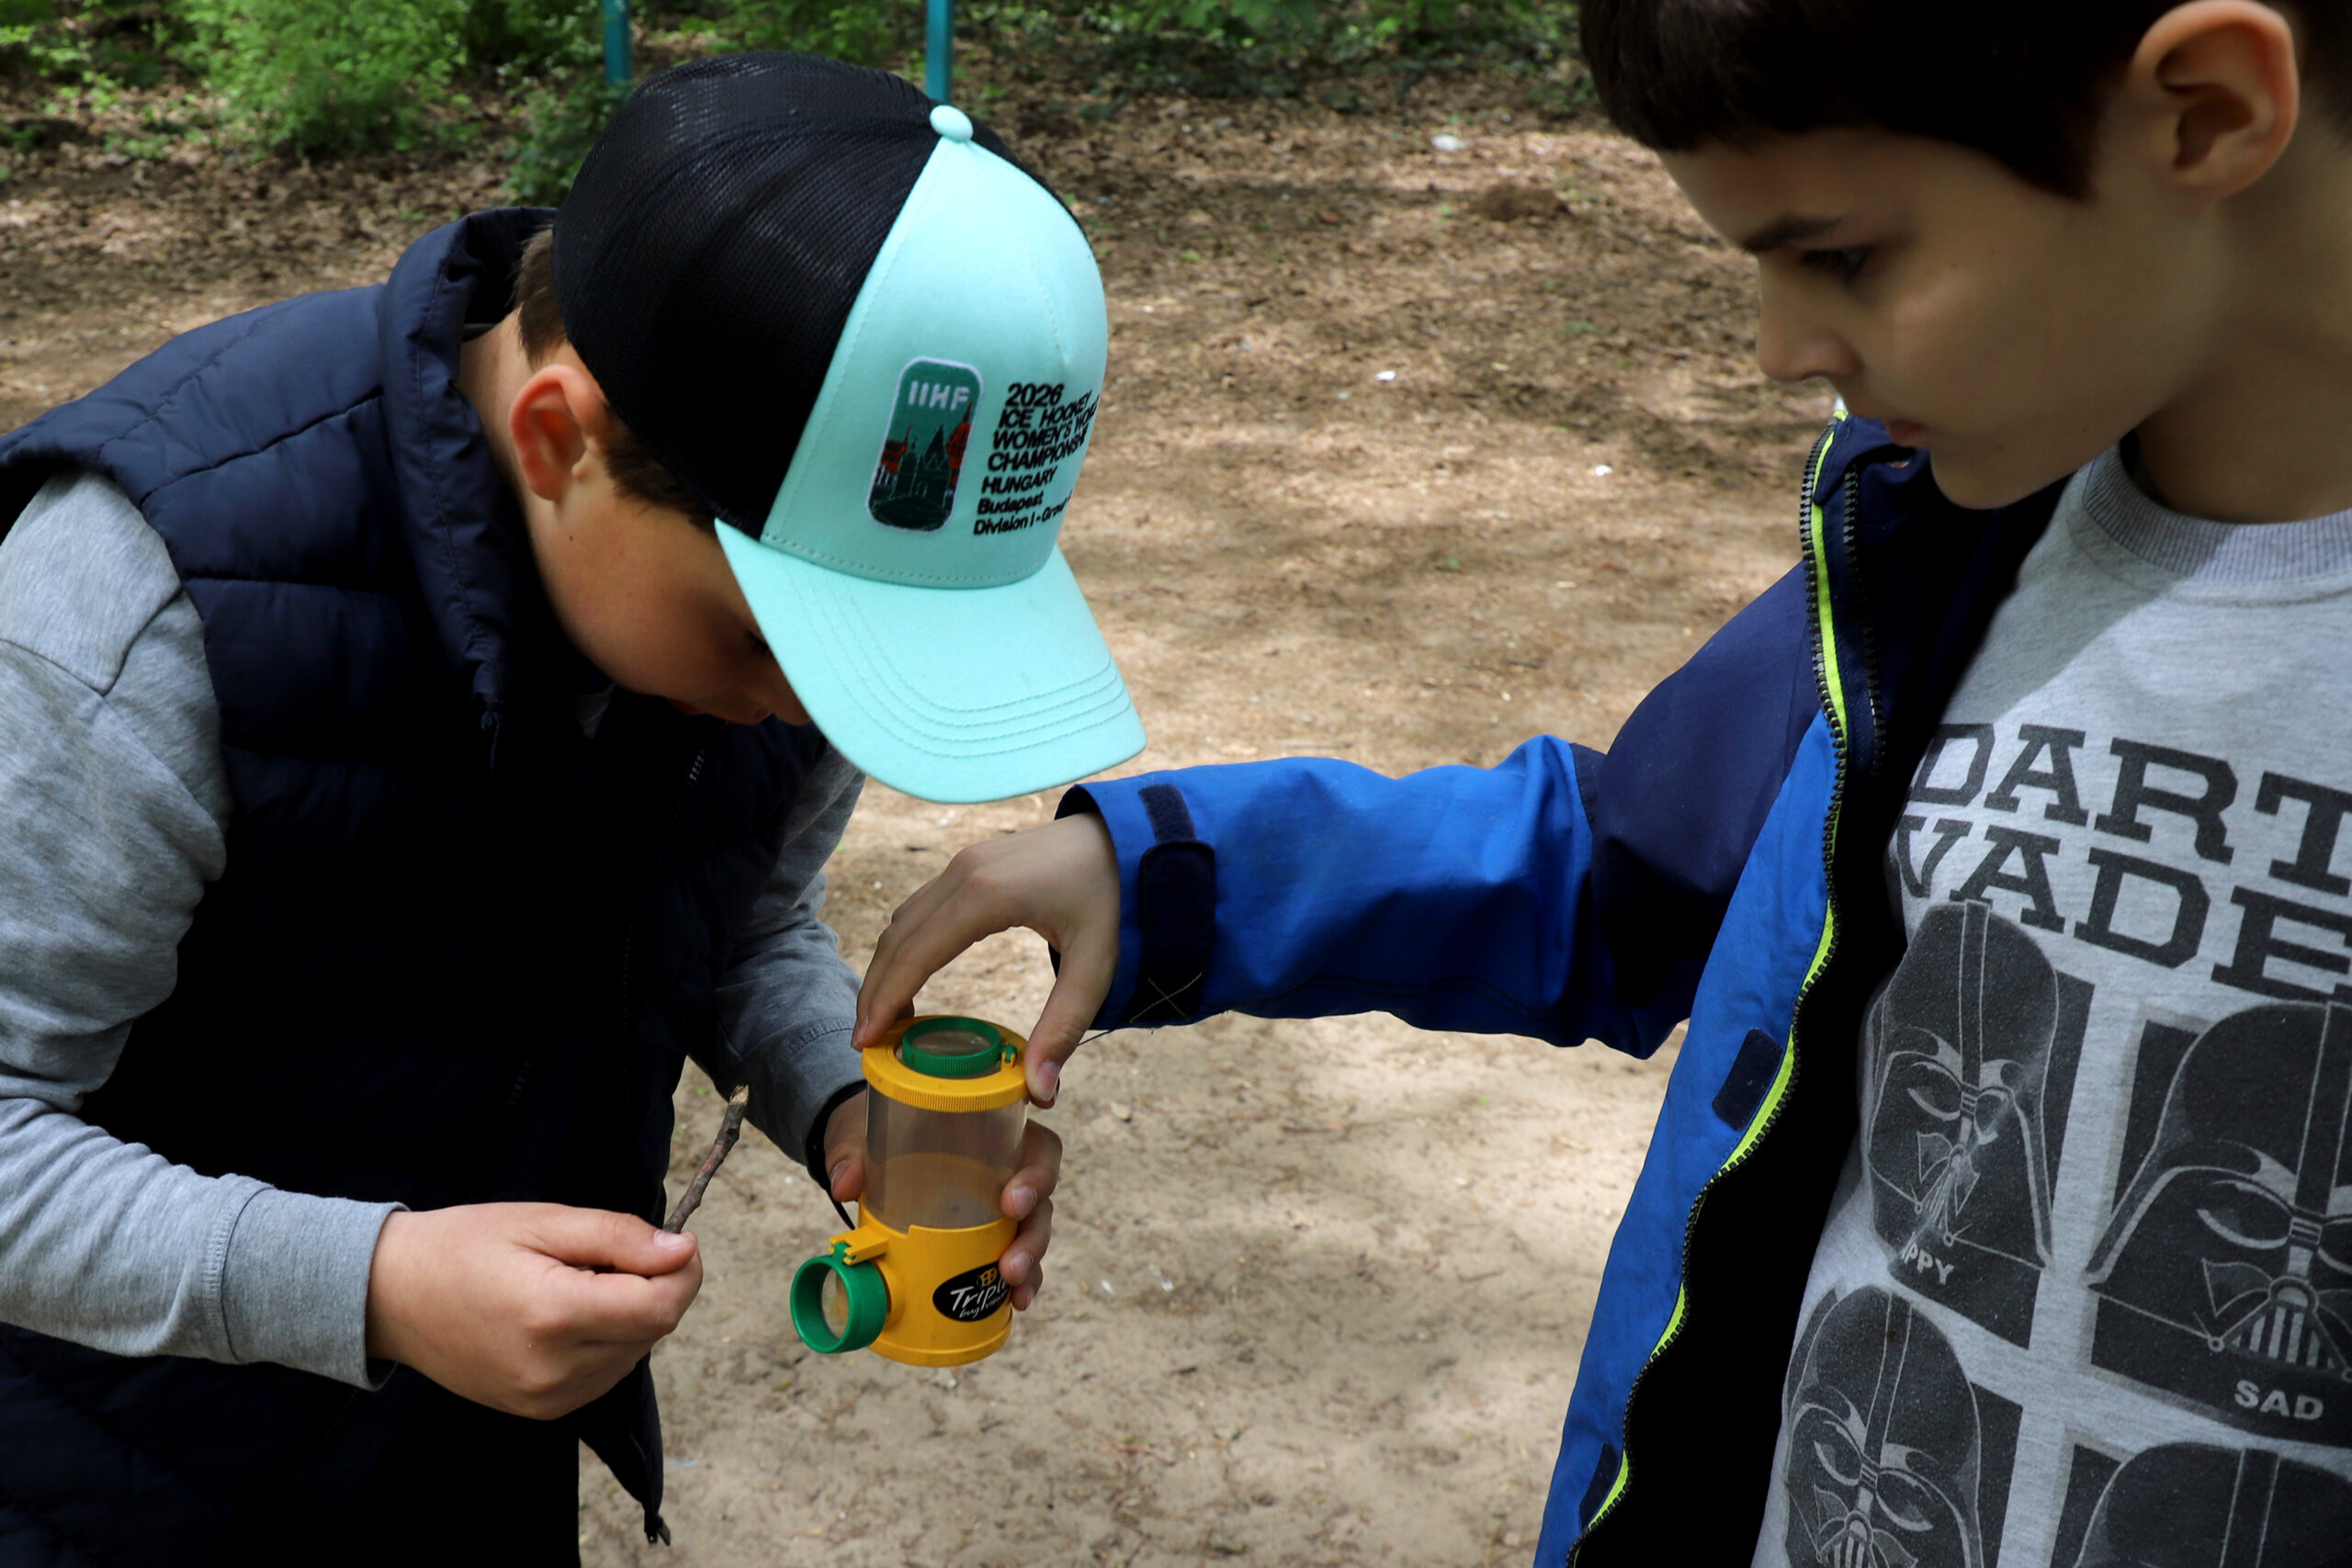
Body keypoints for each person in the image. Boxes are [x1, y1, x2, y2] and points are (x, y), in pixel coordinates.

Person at [854, 4, 2352, 1562]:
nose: (1780, 351)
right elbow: (1636, 863)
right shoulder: (1936, 562)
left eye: (1843, 256)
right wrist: (1172, 874)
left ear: (2204, 113)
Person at [0, 52, 1142, 1563]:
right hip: (92, 1489)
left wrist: (851, 1108)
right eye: (780, 644)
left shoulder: (759, 607)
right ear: (557, 440)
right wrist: (373, 1286)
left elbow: (735, 920)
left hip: (463, 1467)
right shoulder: (141, 610)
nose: (814, 713)